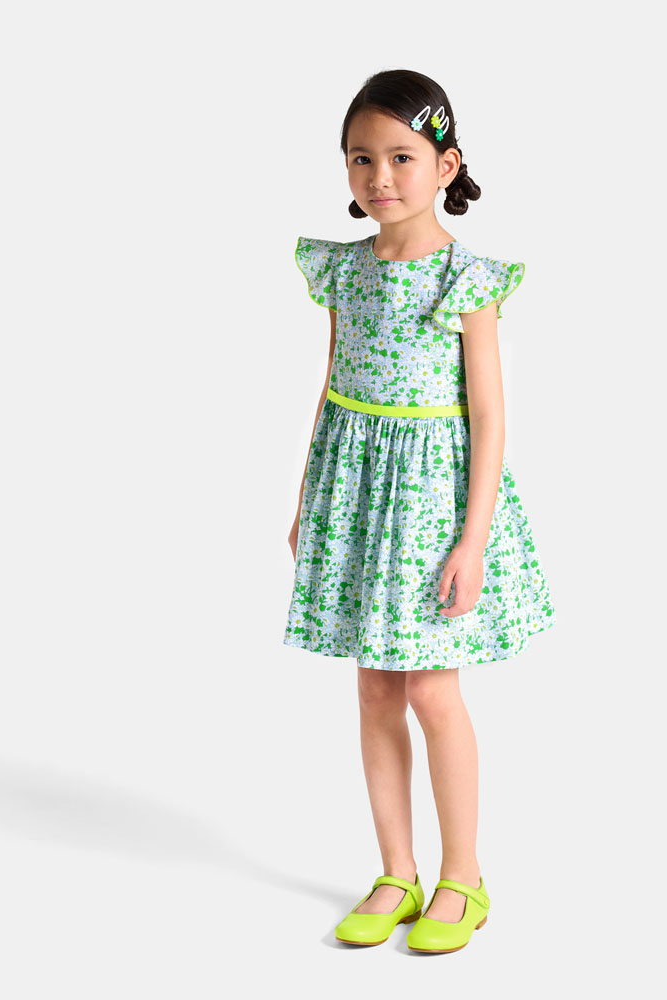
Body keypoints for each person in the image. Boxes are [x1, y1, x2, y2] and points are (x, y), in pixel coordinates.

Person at [283, 68, 557, 953]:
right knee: (374, 687)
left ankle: (463, 878)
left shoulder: (465, 280)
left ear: (446, 165)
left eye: (401, 156)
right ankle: (396, 872)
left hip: (433, 505)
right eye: (361, 158)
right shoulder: (343, 270)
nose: (380, 176)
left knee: (432, 689)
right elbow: (332, 387)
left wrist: (472, 540)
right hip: (357, 493)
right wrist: (308, 500)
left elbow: (489, 416)